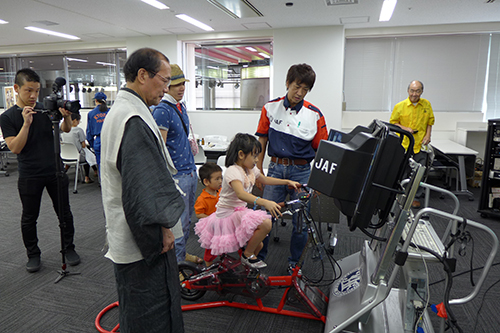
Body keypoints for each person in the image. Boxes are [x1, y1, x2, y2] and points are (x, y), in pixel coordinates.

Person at [100, 48, 185, 333]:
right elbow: (142, 190)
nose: (167, 88)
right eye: (164, 80)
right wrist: (162, 230)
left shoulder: (127, 110)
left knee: (137, 310)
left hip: (130, 233)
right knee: (152, 314)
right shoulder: (133, 118)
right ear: (142, 75)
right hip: (143, 242)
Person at [0, 68, 80, 273]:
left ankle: (68, 248)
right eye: (29, 91)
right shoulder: (8, 118)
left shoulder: (46, 109)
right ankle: (33, 254)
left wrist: (66, 117)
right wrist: (26, 124)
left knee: (65, 214)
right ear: (16, 89)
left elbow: (65, 130)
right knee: (29, 217)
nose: (34, 96)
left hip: (55, 170)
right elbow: (15, 147)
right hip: (29, 174)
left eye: (36, 91)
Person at [255, 63, 328, 274]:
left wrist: (320, 179)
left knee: (300, 223)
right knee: (264, 217)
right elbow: (262, 139)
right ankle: (258, 259)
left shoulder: (314, 114)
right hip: (276, 169)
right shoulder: (270, 108)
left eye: (305, 89)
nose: (300, 93)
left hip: (302, 172)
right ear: (287, 83)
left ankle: (295, 265)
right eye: (297, 87)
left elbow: (323, 149)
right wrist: (259, 169)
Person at [195, 133, 300, 269]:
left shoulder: (250, 169)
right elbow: (241, 194)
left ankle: (245, 265)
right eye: (254, 155)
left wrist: (287, 182)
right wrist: (264, 201)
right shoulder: (233, 171)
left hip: (239, 211)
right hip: (227, 214)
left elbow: (265, 179)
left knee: (259, 244)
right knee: (266, 223)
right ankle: (247, 255)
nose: (257, 160)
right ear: (241, 154)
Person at [152, 64, 200, 264]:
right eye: (176, 85)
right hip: (177, 175)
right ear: (167, 87)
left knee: (187, 220)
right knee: (178, 223)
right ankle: (176, 266)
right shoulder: (162, 110)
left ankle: (181, 255)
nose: (181, 88)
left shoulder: (182, 106)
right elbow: (160, 149)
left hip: (190, 170)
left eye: (183, 84)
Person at [390, 80, 435, 208]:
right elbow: (393, 123)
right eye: (412, 90)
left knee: (419, 173)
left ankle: (415, 197)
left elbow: (429, 122)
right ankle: (400, 195)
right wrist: (405, 128)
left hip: (420, 144)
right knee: (403, 171)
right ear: (408, 90)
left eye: (418, 91)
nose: (414, 94)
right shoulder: (400, 106)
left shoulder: (426, 105)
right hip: (404, 144)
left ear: (422, 91)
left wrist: (428, 135)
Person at [194, 162, 223, 266]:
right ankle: (208, 268)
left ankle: (222, 265)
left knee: (223, 246)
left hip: (222, 225)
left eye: (221, 178)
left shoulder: (220, 192)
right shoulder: (202, 199)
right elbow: (198, 214)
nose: (220, 181)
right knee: (211, 249)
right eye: (217, 179)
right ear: (206, 181)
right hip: (210, 228)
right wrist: (212, 218)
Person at [61, 113, 97, 184]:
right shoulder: (79, 130)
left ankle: (63, 173)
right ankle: (87, 177)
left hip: (65, 157)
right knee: (87, 156)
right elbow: (83, 145)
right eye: (78, 121)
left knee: (76, 154)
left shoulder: (62, 130)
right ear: (74, 120)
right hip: (78, 157)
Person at [86, 91, 109, 172]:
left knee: (100, 164)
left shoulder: (91, 114)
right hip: (110, 140)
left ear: (95, 100)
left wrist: (92, 145)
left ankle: (101, 183)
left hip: (98, 142)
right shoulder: (110, 112)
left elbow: (89, 133)